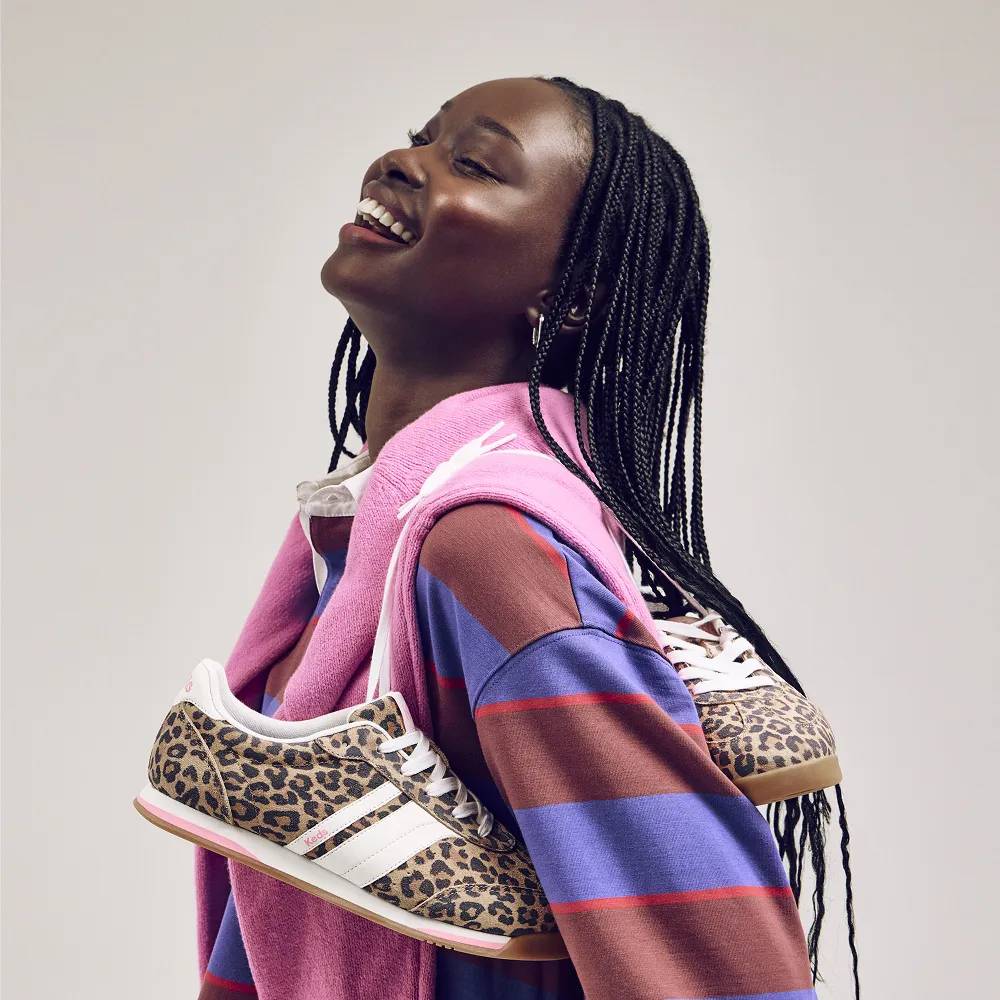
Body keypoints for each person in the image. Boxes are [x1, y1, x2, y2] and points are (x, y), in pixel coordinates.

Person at [194, 75, 858, 999]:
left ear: (570, 295)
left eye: (473, 164)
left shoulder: (488, 545)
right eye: (421, 137)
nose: (402, 162)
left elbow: (708, 953)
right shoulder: (368, 537)